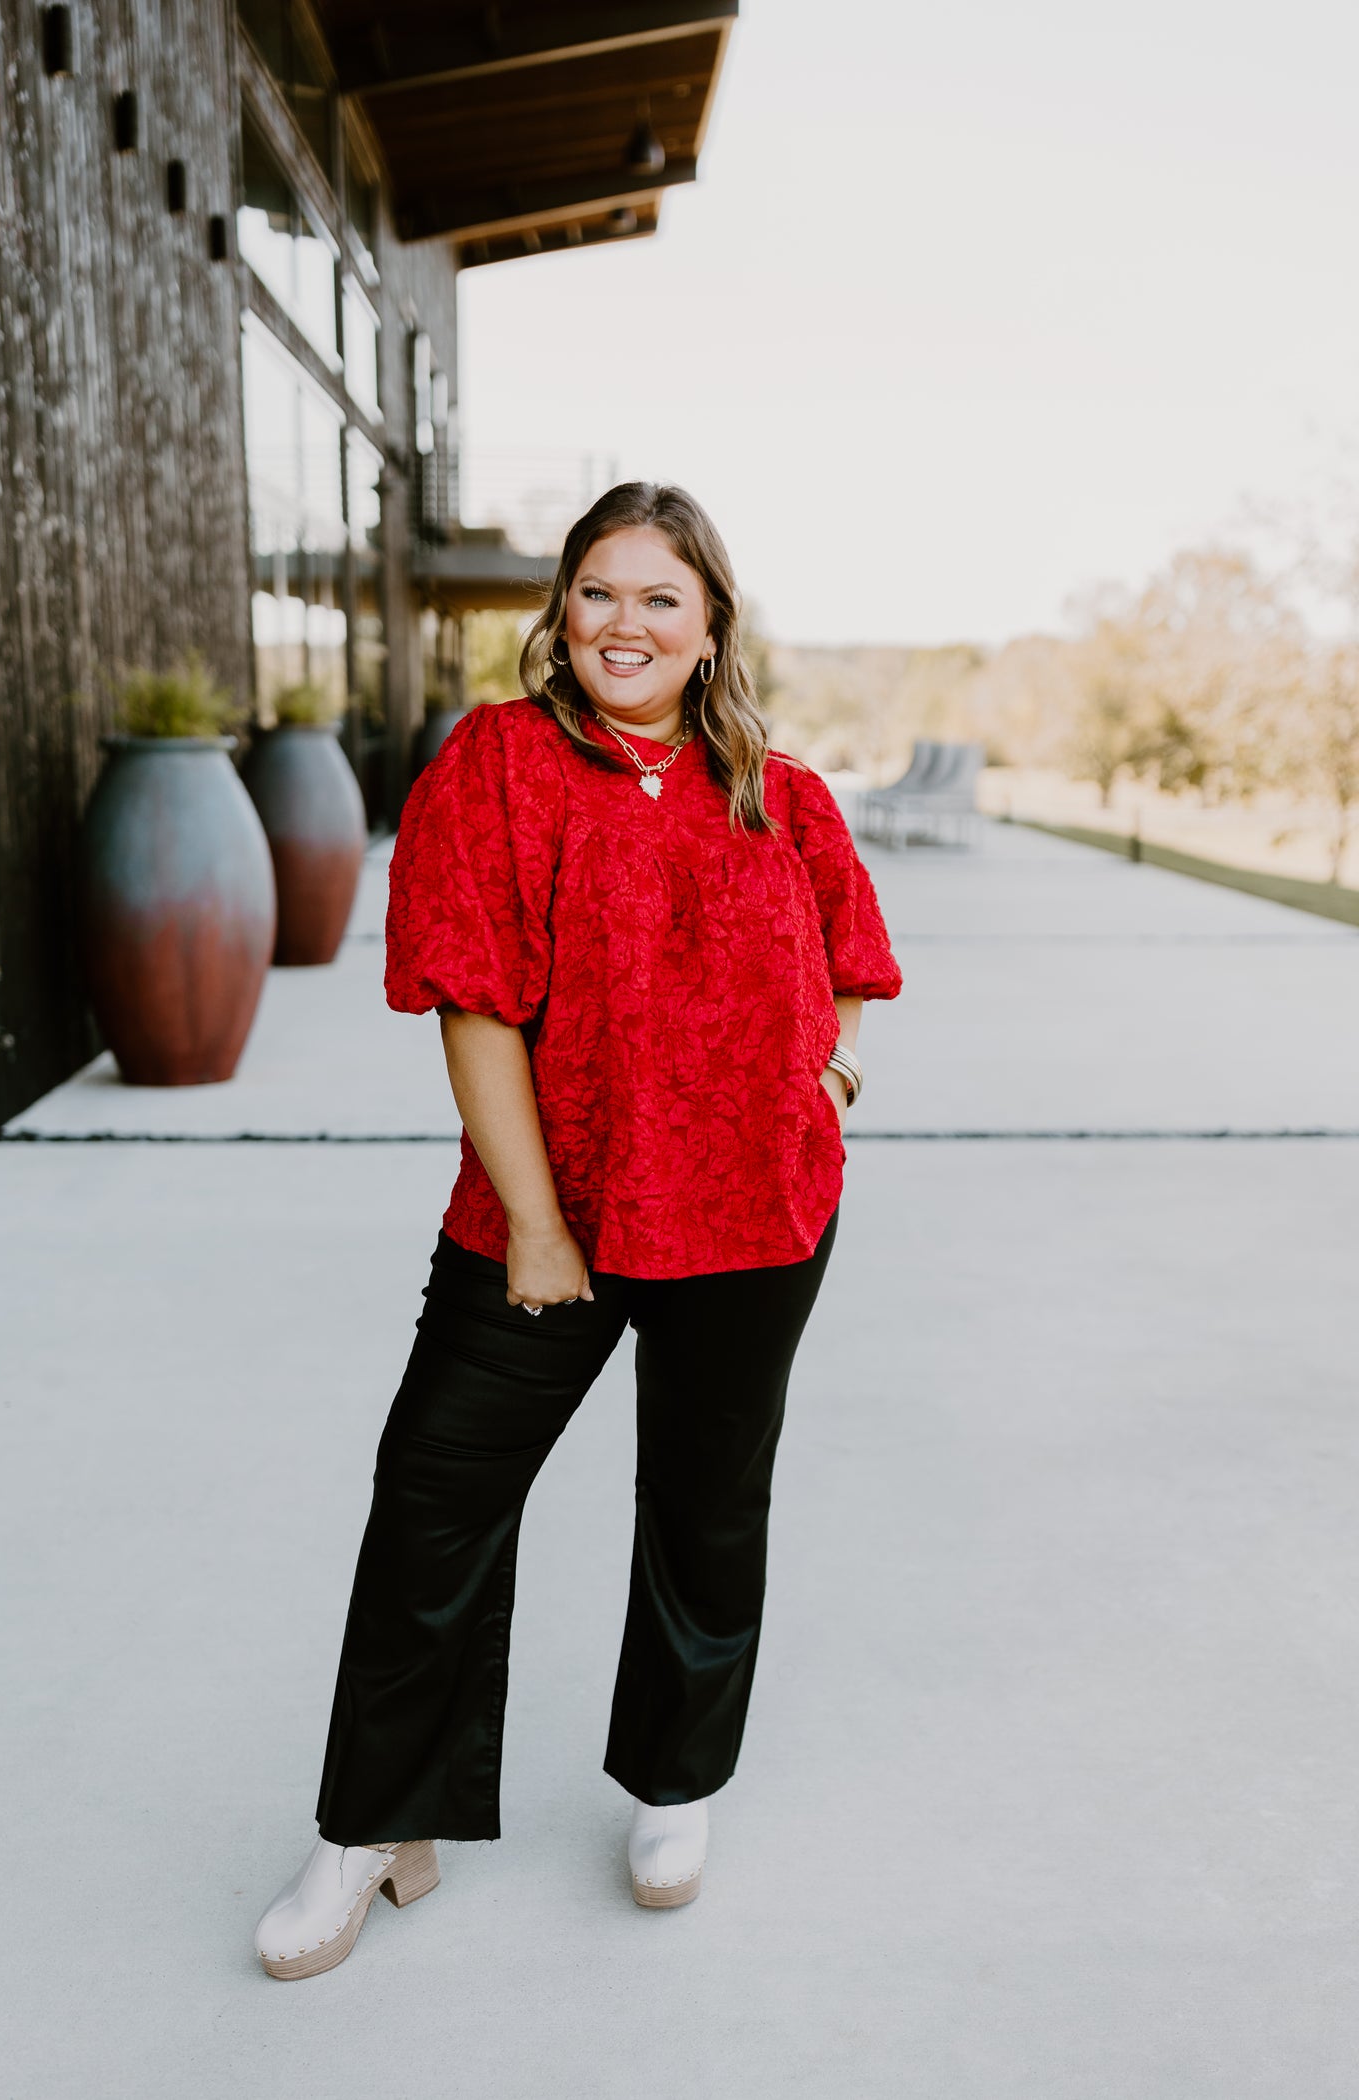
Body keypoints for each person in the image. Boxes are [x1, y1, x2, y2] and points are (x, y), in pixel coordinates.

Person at [253, 482, 902, 1979]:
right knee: (434, 1493)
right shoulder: (499, 763)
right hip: (551, 1217)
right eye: (600, 592)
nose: (627, 622)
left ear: (709, 627)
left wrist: (832, 1077)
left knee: (706, 1499)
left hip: (759, 1211)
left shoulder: (781, 790)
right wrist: (539, 1224)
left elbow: (850, 963)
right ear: (562, 611)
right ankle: (369, 1826)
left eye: (660, 598)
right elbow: (472, 997)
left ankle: (678, 1785)